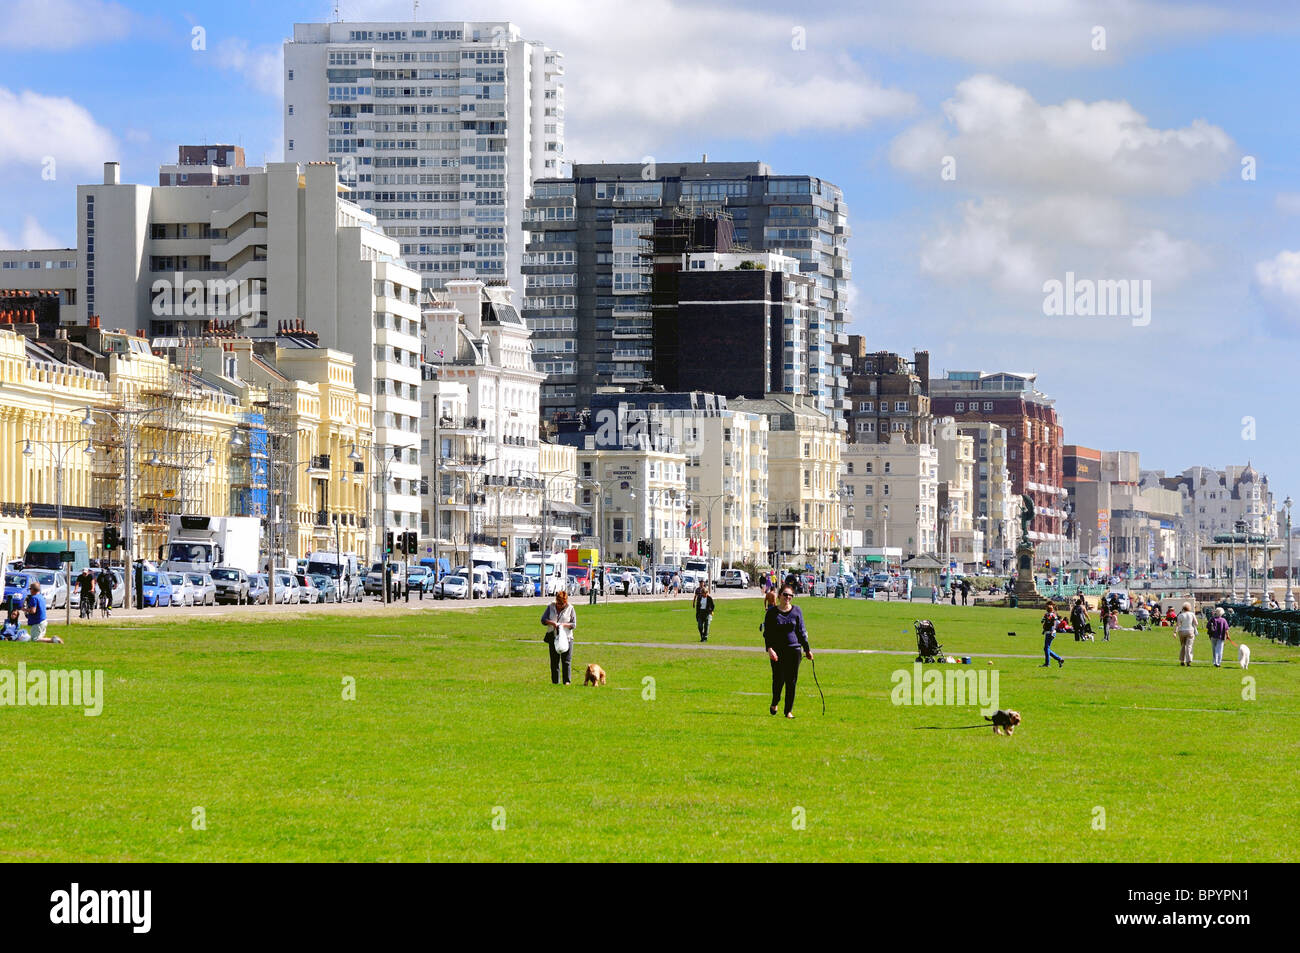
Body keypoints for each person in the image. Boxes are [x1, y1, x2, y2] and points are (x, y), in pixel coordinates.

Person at [762, 584, 813, 718]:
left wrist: (807, 650)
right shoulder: (772, 613)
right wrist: (770, 649)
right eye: (785, 595)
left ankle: (788, 711)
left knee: (791, 681)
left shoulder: (797, 611)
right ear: (779, 596)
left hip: (794, 650)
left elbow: (801, 632)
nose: (788, 598)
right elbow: (767, 634)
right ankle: (775, 702)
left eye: (790, 595)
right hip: (777, 652)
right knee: (778, 680)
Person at [541, 590, 577, 685]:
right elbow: (543, 620)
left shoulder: (570, 608)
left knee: (566, 661)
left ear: (566, 602)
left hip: (567, 638)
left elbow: (574, 624)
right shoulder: (550, 607)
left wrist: (563, 625)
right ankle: (555, 682)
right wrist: (552, 623)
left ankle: (567, 682)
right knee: (554, 661)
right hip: (553, 637)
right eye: (558, 603)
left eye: (562, 604)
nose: (559, 605)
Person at [1040, 600, 1065, 668]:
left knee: (1046, 648)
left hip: (1049, 632)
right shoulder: (1054, 615)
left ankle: (1047, 663)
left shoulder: (1047, 615)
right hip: (1052, 633)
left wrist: (1046, 623)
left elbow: (1042, 621)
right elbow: (1058, 623)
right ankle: (1059, 659)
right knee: (1046, 648)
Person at [1175, 601, 1199, 666]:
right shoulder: (1192, 614)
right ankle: (1188, 661)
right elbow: (1196, 623)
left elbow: (1178, 625)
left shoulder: (1180, 615)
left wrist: (1175, 632)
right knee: (1189, 646)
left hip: (1181, 631)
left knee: (1183, 646)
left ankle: (1182, 661)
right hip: (1190, 631)